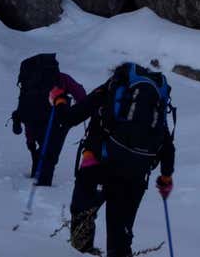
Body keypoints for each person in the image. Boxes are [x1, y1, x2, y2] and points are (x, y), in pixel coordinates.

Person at [50, 62, 176, 257]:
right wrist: (165, 178)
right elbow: (168, 148)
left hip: (97, 168)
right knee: (120, 239)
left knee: (82, 224)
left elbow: (68, 118)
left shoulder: (110, 88)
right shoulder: (155, 102)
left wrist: (59, 100)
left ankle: (82, 253)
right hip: (136, 176)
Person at [11, 53, 86, 186]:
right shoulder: (61, 79)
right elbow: (81, 95)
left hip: (33, 121)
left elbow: (25, 106)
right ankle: (44, 187)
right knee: (51, 155)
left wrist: (29, 140)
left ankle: (35, 159)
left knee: (41, 149)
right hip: (58, 121)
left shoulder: (31, 81)